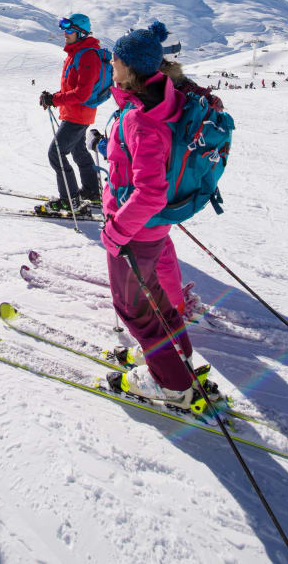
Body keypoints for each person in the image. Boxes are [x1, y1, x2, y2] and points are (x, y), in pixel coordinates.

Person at [99, 21, 213, 409]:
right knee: (156, 300)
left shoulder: (139, 118)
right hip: (152, 229)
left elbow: (150, 192)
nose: (111, 64)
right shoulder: (164, 101)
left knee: (134, 309)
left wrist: (116, 231)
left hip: (135, 230)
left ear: (130, 68)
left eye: (115, 60)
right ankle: (180, 360)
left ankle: (172, 385)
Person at [38, 14, 107, 212]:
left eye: (69, 31)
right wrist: (53, 97)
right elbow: (72, 87)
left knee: (56, 153)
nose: (65, 34)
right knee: (78, 151)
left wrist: (56, 99)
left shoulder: (87, 55)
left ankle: (69, 200)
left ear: (81, 33)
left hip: (78, 114)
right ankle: (92, 192)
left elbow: (82, 93)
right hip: (75, 112)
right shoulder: (76, 53)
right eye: (65, 30)